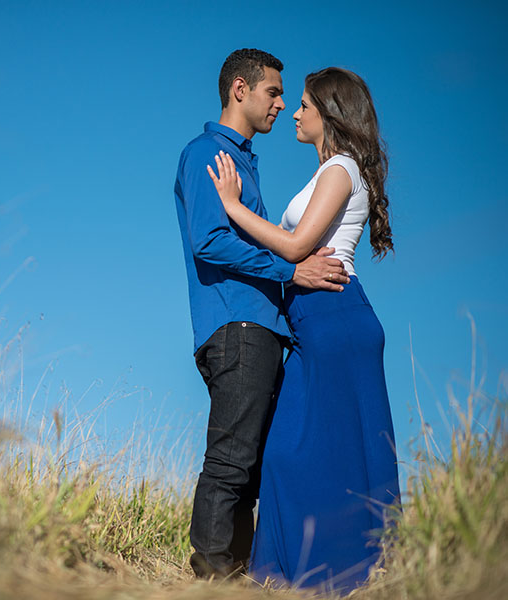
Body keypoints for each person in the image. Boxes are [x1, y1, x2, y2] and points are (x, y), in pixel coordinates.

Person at [207, 66, 401, 593]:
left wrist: (231, 207)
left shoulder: (340, 167)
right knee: (295, 450)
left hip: (335, 317)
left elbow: (295, 249)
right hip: (316, 323)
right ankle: (309, 575)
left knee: (311, 450)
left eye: (305, 105)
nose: (294, 112)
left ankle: (338, 575)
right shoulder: (330, 171)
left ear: (330, 113)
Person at [173, 48, 350, 580]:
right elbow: (209, 241)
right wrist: (291, 270)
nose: (280, 104)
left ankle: (237, 570)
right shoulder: (209, 151)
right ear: (240, 90)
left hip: (260, 328)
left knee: (248, 465)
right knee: (231, 460)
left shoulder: (242, 161)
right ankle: (211, 574)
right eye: (274, 93)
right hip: (238, 325)